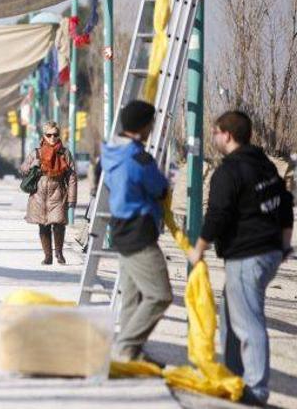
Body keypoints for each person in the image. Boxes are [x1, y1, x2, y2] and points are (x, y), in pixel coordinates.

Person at [187, 111, 293, 406]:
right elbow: (285, 204)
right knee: (232, 316)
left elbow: (217, 214)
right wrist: (284, 246)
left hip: (248, 254)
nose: (215, 137)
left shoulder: (229, 171)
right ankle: (233, 375)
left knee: (248, 322)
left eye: (217, 133)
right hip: (269, 251)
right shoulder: (265, 165)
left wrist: (199, 248)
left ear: (228, 135)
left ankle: (256, 389)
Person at [100, 100, 172, 364]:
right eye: (151, 123)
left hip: (119, 228)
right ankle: (126, 346)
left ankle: (130, 353)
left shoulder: (110, 153)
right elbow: (160, 189)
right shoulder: (140, 159)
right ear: (144, 126)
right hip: (139, 231)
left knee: (133, 295)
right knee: (159, 295)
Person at [20, 121, 77, 265]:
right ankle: (48, 256)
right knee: (43, 225)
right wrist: (32, 165)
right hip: (39, 194)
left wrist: (72, 198)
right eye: (49, 135)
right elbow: (23, 169)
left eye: (55, 135)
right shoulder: (36, 152)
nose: (52, 138)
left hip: (58, 192)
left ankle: (59, 252)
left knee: (58, 224)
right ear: (44, 136)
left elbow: (72, 177)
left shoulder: (65, 153)